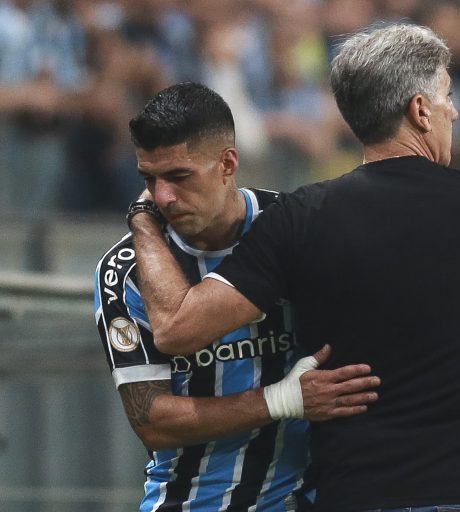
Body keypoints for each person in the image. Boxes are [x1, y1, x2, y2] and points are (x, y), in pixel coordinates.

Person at [128, 24, 460, 511]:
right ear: (420, 110)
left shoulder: (304, 217)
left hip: (362, 492)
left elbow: (176, 328)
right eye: (447, 95)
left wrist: (144, 221)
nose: (455, 109)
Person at [94, 82, 384, 511]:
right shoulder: (125, 269)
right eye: (149, 179)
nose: (162, 198)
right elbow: (152, 419)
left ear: (228, 164)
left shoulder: (294, 229)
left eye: (178, 176)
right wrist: (279, 400)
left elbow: (385, 340)